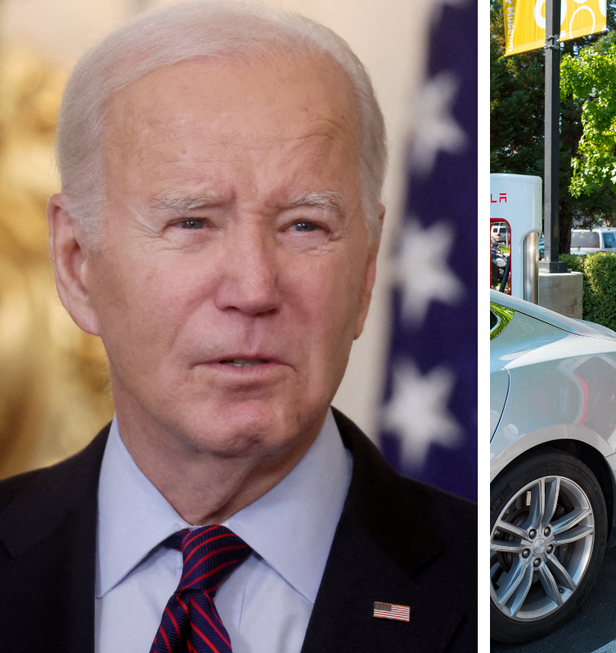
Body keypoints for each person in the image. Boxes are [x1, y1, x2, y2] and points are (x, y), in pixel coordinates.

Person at [0, 3, 476, 652]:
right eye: (192, 222)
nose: (254, 289)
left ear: (366, 273)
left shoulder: (480, 582)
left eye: (305, 225)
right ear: (76, 264)